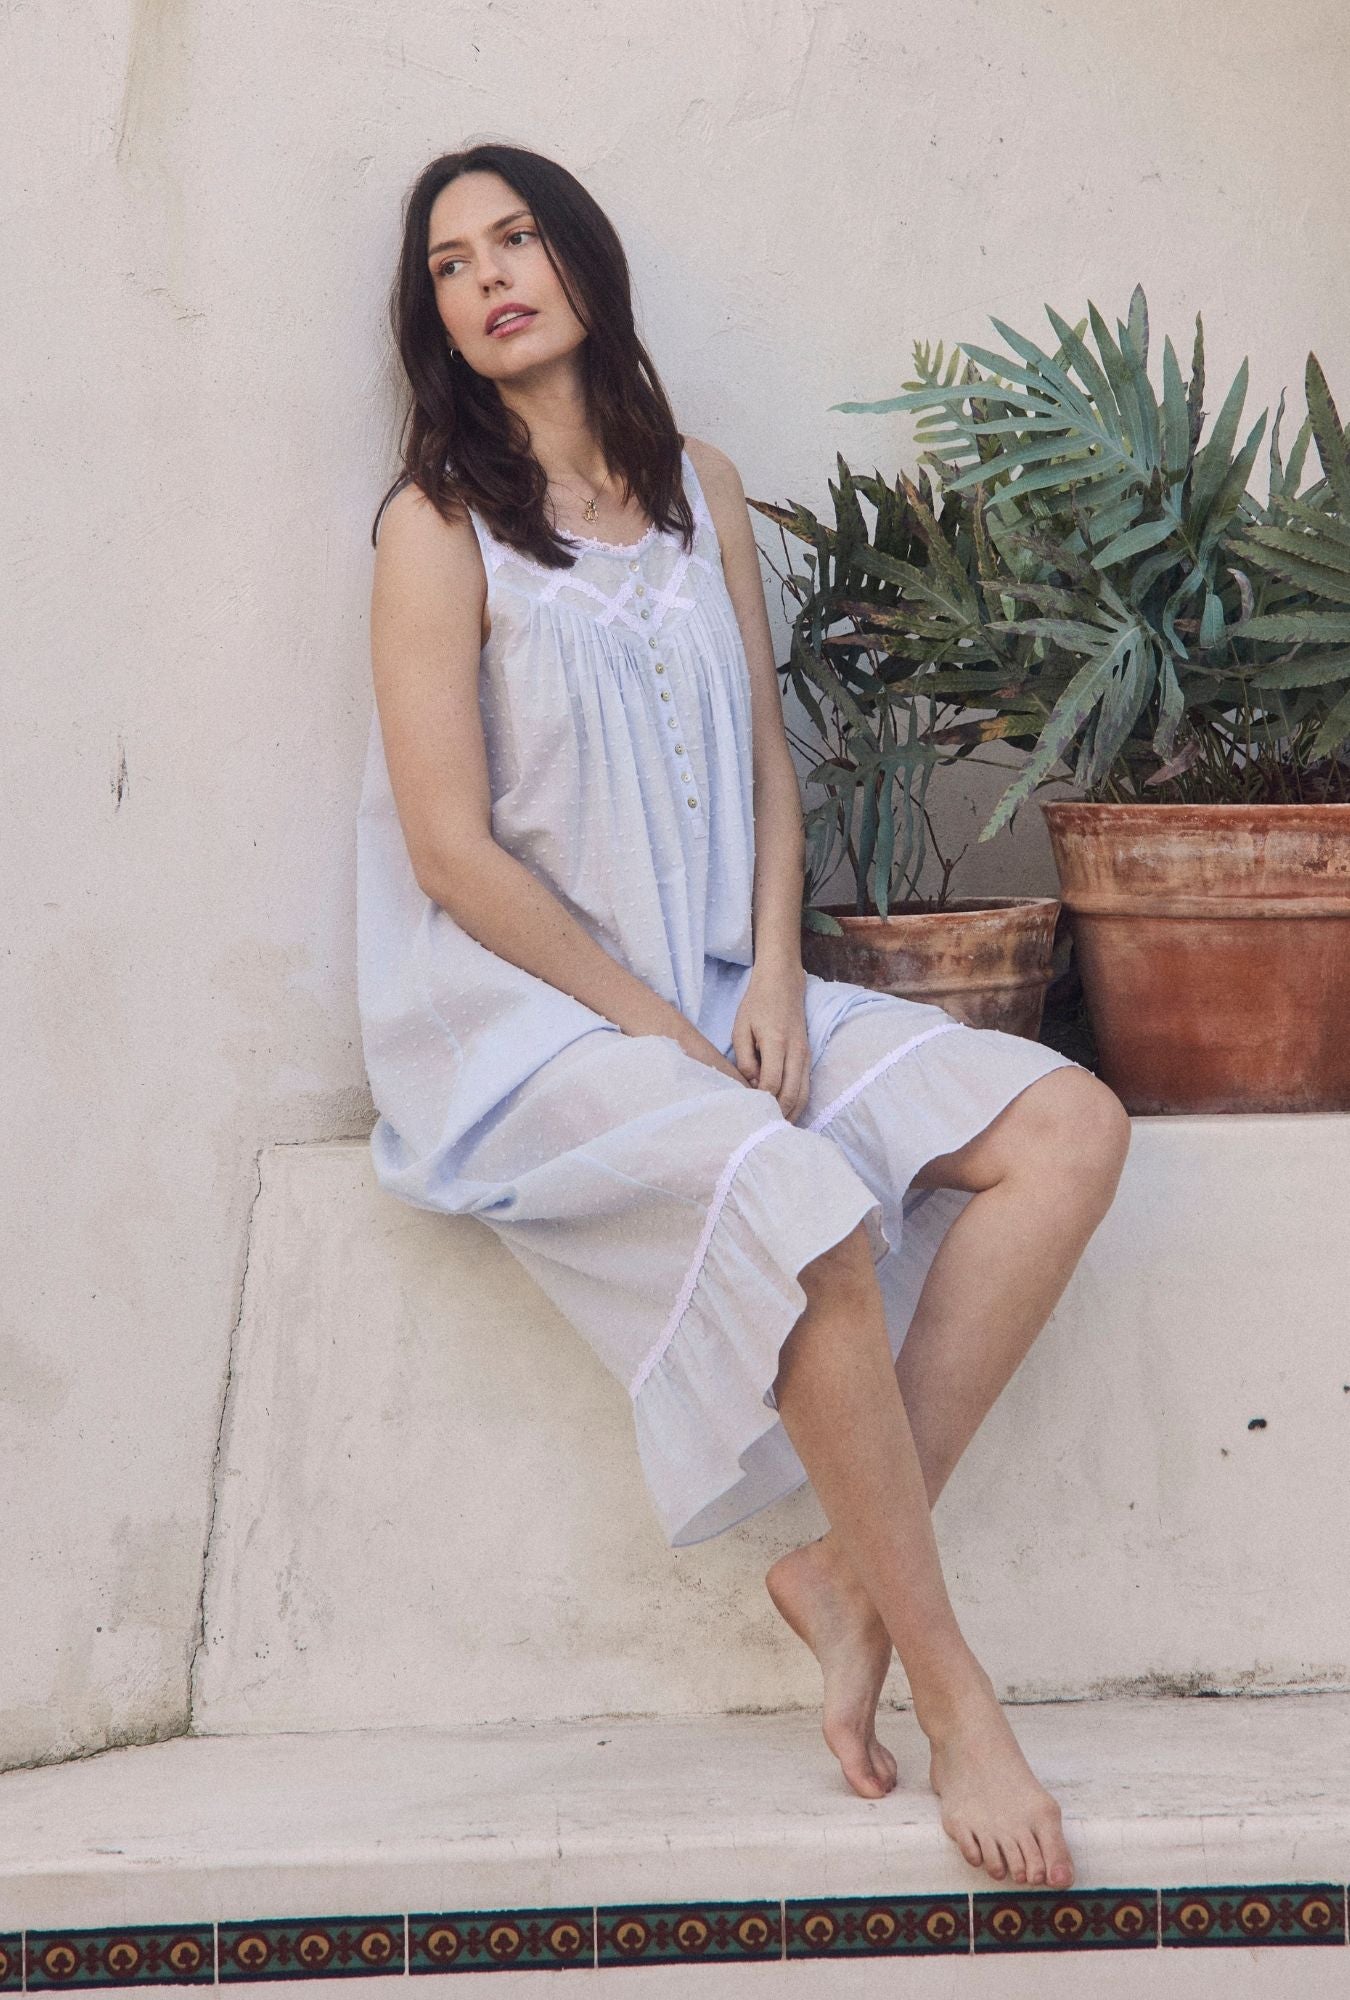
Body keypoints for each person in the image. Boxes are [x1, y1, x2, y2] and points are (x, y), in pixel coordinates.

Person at [357, 140, 1131, 1895]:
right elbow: (449, 852)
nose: (489, 274)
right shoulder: (434, 526)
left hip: (723, 981)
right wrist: (658, 1032)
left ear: (581, 259)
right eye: (451, 263)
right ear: (435, 321)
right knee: (804, 1205)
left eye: (518, 234)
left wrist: (771, 976)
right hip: (525, 1022)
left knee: (1068, 1127)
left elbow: (772, 776)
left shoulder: (696, 483)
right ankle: (953, 1696)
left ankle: (843, 1573)